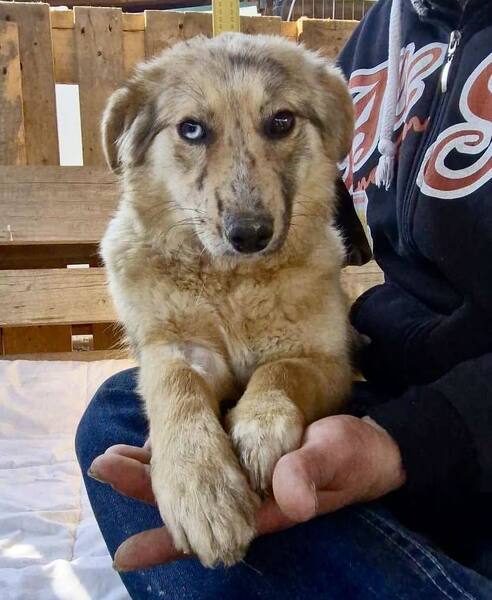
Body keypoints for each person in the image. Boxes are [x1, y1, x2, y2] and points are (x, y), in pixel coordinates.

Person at [76, 0, 492, 597]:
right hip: (391, 382)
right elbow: (333, 200)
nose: (245, 210)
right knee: (118, 417)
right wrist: (185, 413)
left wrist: (400, 440)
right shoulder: (381, 34)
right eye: (194, 130)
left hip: (470, 410)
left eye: (278, 124)